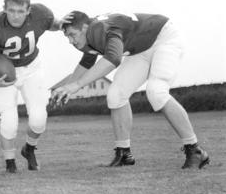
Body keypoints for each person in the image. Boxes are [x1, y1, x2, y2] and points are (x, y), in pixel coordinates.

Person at [51, 11, 210, 169]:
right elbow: (86, 63)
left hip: (165, 38)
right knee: (115, 95)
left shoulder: (98, 28)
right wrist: (66, 89)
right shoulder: (89, 35)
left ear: (85, 27)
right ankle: (124, 154)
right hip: (141, 48)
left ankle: (195, 150)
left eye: (72, 35)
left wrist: (76, 85)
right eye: (68, 37)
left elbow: (113, 59)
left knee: (156, 91)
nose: (71, 41)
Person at [0, 0, 66, 173]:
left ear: (29, 10)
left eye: (20, 11)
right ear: (4, 9)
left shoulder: (40, 14)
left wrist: (64, 24)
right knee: (9, 120)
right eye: (11, 10)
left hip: (32, 68)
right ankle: (10, 164)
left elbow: (54, 24)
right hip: (5, 74)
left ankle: (29, 150)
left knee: (39, 119)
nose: (16, 16)